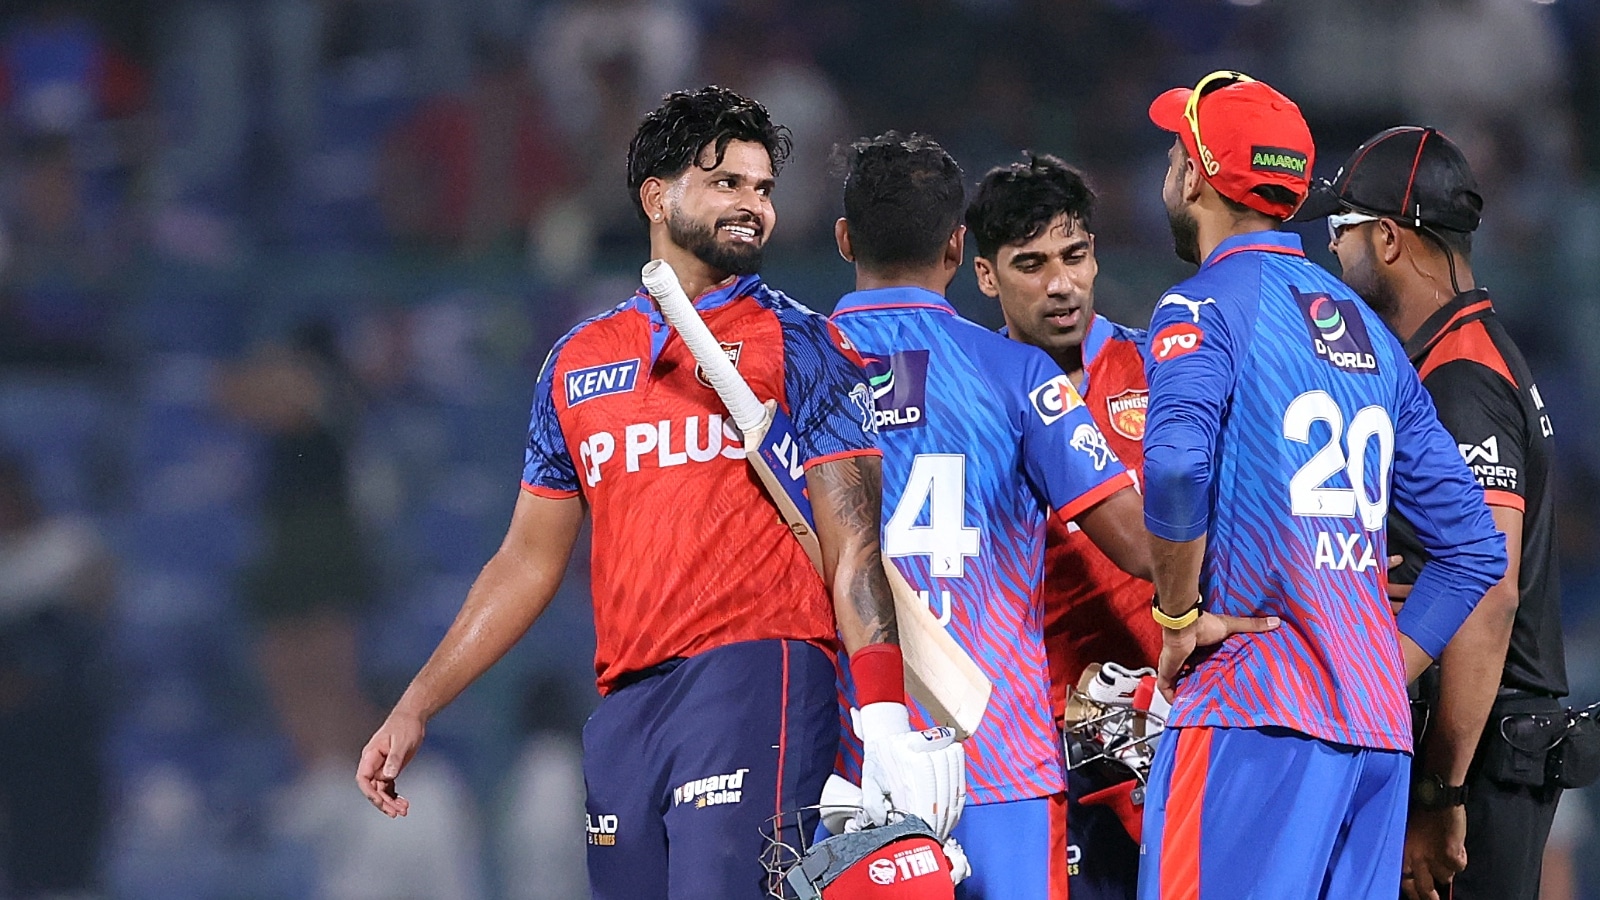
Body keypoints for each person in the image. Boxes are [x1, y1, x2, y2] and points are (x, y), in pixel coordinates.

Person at [355, 86, 962, 900]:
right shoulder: (576, 363)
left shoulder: (805, 344)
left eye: (764, 189)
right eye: (728, 184)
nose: (754, 207)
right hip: (626, 708)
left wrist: (883, 717)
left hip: (757, 674)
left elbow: (853, 542)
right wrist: (416, 705)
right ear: (656, 197)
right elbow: (526, 562)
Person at [1137, 72, 1508, 898]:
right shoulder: (1373, 337)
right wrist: (1379, 660)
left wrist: (1176, 617)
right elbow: (1473, 548)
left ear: (1195, 175)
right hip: (1372, 739)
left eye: (1175, 148)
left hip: (1252, 712)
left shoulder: (1202, 308)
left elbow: (1173, 465)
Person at [828, 132, 1155, 900]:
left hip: (859, 760)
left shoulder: (803, 369)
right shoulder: (1016, 374)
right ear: (957, 248)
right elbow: (1141, 546)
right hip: (1001, 757)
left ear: (844, 239)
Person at [1299, 125, 1568, 900]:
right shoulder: (1461, 352)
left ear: (1386, 237)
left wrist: (1441, 792)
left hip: (1479, 747)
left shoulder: (1462, 377)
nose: (1333, 254)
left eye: (1340, 232)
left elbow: (1491, 589)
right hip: (1481, 734)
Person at [965, 154, 1163, 899]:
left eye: (1074, 257)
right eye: (1031, 263)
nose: (1060, 284)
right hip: (1039, 744)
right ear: (985, 275)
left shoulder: (1162, 372)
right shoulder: (968, 397)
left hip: (1169, 732)